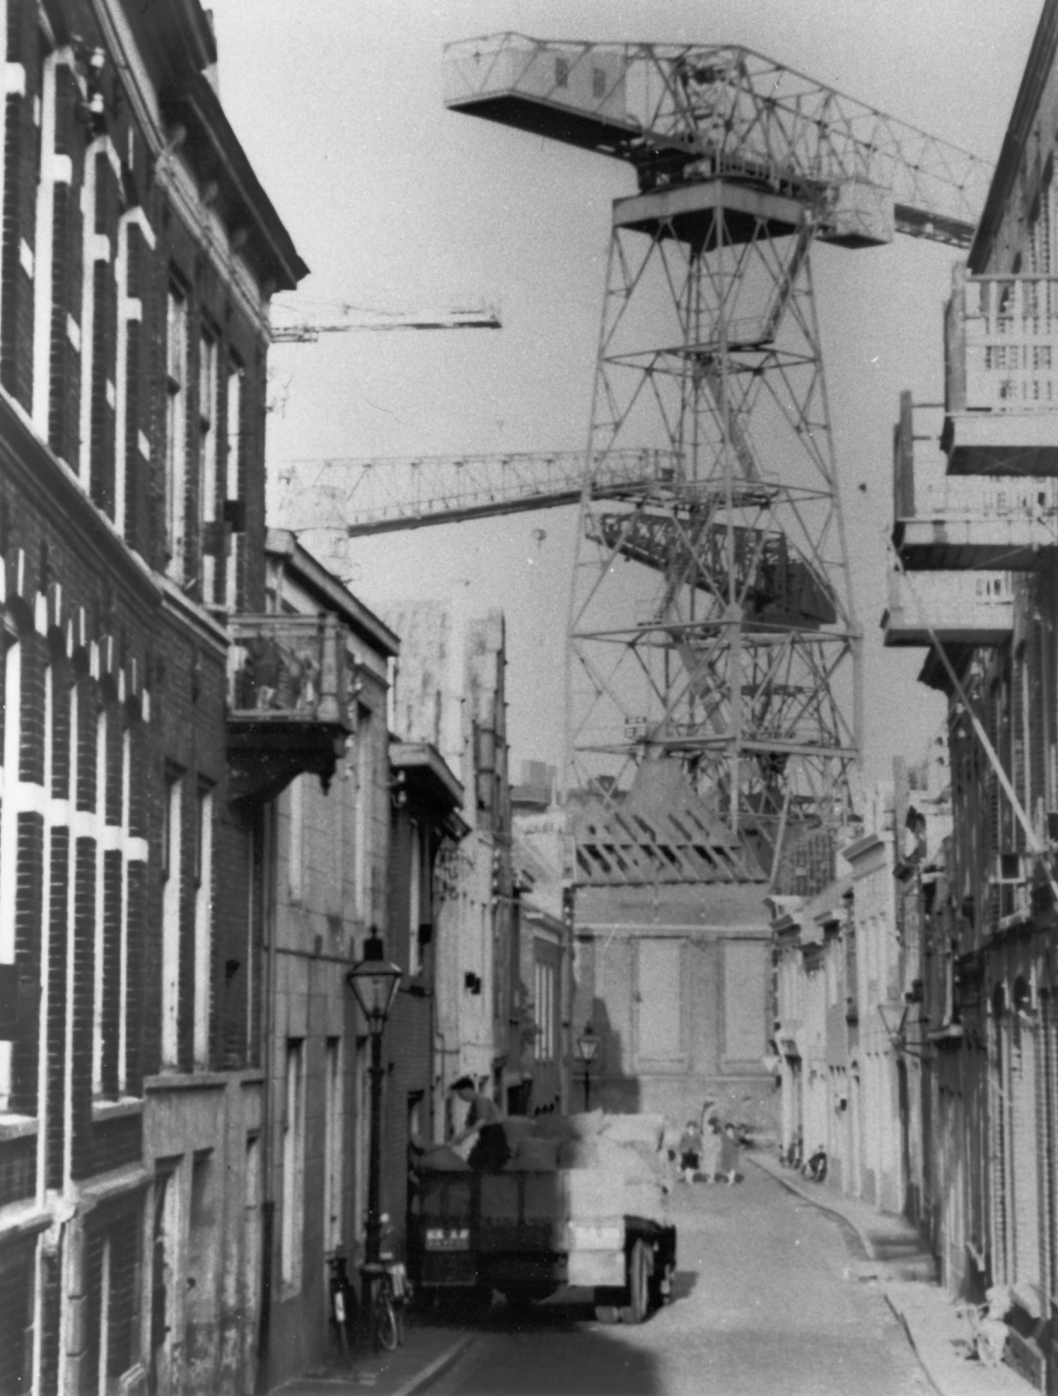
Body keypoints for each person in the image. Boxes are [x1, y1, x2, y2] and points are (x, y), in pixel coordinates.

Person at [449, 1076, 509, 1172]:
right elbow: (469, 1124)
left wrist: (465, 1135)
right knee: (474, 1165)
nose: (460, 1097)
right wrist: (458, 1138)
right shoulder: (474, 1104)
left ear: (468, 1090)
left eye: (460, 1094)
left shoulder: (481, 1099)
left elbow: (482, 1120)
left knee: (479, 1166)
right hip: (487, 1137)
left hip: (493, 1137)